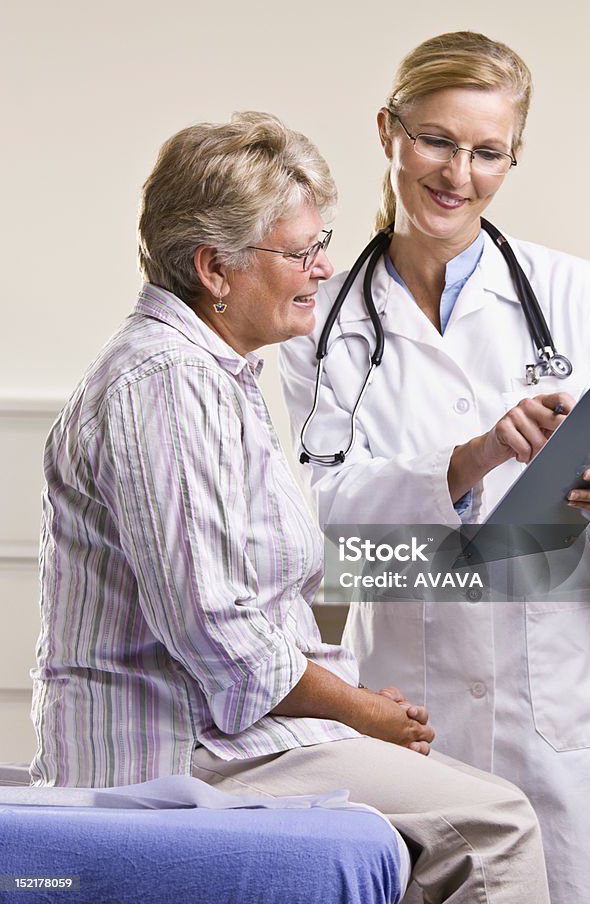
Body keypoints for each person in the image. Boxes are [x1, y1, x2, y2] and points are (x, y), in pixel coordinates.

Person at [30, 110, 550, 904]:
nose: (324, 267)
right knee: (494, 822)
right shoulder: (167, 382)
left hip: (234, 734)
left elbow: (262, 612)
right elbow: (217, 633)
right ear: (215, 269)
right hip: (179, 750)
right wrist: (364, 712)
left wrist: (359, 705)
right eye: (302, 251)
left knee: (422, 842)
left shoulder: (218, 377)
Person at [280, 32, 590, 903]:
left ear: (512, 158)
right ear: (389, 131)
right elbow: (328, 517)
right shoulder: (321, 324)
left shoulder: (579, 293)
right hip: (420, 709)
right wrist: (469, 460)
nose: (457, 174)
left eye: (487, 152)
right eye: (436, 140)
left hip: (571, 706)